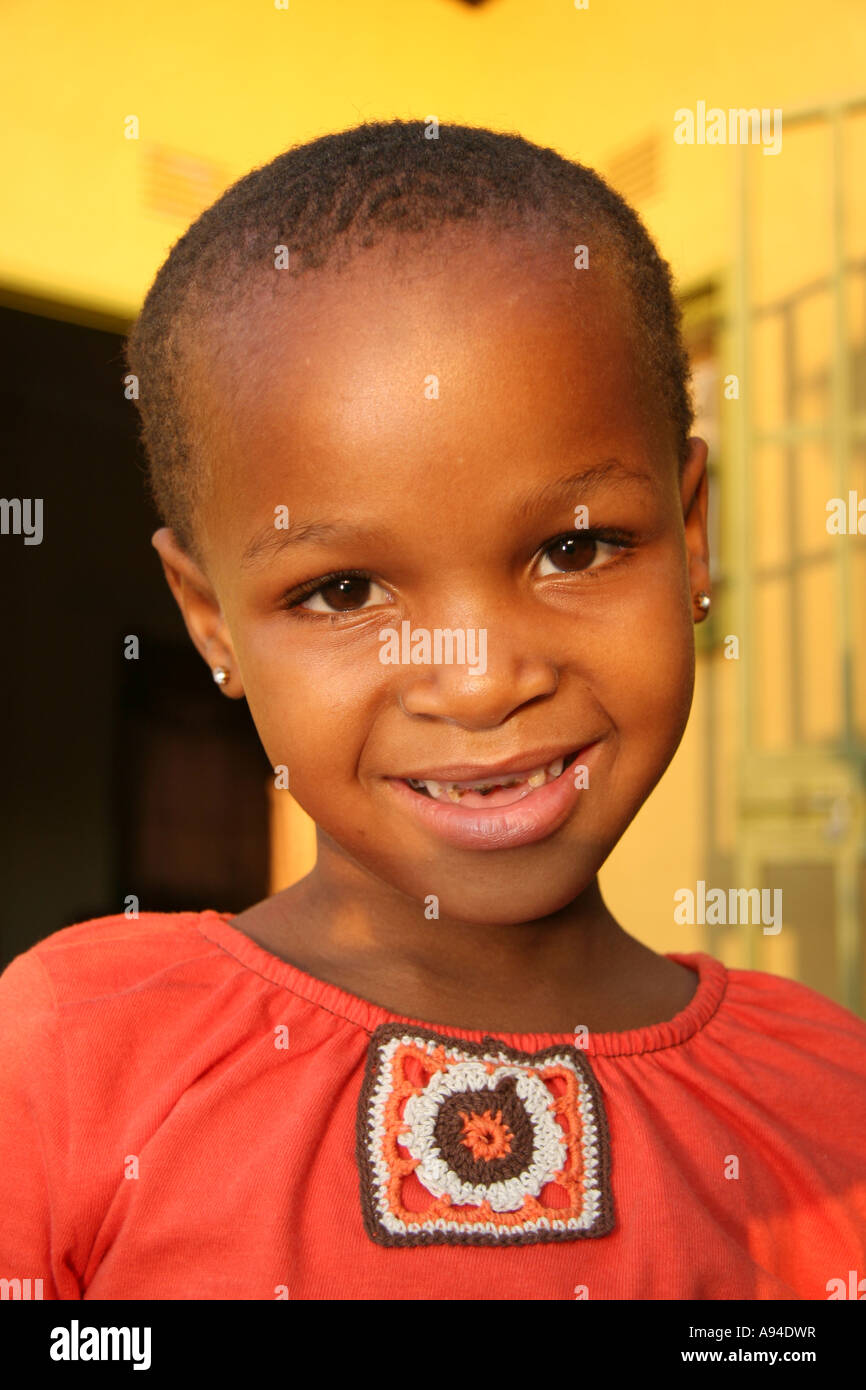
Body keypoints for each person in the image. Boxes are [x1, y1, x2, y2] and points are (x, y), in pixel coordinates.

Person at [1, 119, 864, 1300]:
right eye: (342, 590)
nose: (476, 678)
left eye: (573, 547)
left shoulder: (829, 1100)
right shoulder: (72, 1052)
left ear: (691, 534)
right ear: (212, 623)